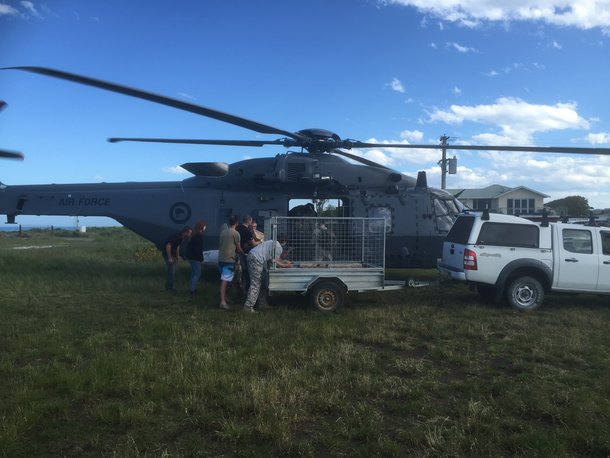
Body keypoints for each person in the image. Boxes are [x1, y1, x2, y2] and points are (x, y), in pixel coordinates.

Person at [243, 235, 292, 313]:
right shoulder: (279, 247)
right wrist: (286, 265)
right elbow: (276, 262)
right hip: (256, 260)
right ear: (285, 242)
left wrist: (284, 261)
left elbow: (274, 260)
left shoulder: (272, 242)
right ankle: (248, 307)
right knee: (256, 284)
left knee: (261, 282)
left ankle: (262, 303)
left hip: (252, 256)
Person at [218, 215, 245, 310]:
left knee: (225, 281)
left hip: (220, 259)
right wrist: (244, 253)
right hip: (229, 260)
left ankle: (224, 297)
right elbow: (238, 248)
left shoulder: (223, 232)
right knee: (225, 281)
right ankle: (222, 302)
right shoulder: (236, 233)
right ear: (237, 223)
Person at [235, 215, 261, 293]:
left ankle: (239, 289)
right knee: (247, 272)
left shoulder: (237, 228)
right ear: (249, 221)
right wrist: (261, 241)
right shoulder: (247, 232)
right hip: (245, 253)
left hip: (236, 252)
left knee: (239, 273)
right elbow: (253, 244)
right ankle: (246, 289)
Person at [162, 226, 192, 292]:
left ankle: (169, 286)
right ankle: (169, 288)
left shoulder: (181, 238)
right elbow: (168, 246)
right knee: (171, 271)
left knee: (173, 270)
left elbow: (177, 246)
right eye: (189, 233)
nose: (190, 234)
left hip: (173, 254)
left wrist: (178, 256)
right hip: (168, 254)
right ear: (185, 232)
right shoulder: (176, 237)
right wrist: (169, 258)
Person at [185, 220, 207, 297]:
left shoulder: (193, 235)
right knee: (197, 274)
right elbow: (198, 249)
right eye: (204, 227)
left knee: (193, 273)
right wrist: (201, 258)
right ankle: (192, 290)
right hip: (195, 258)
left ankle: (191, 288)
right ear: (202, 228)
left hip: (190, 257)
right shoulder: (199, 236)